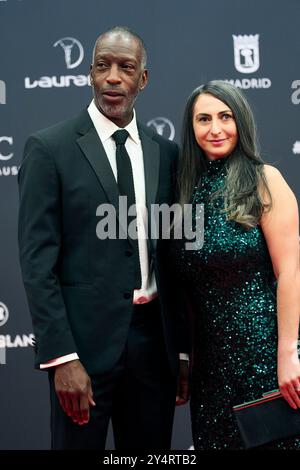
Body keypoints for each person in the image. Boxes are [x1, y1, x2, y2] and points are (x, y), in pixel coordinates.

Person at [18, 26, 189, 450]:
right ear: (90, 74)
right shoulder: (49, 148)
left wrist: (182, 351)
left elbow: (174, 260)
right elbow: (38, 263)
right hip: (82, 352)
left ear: (142, 80)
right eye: (102, 66)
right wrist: (62, 358)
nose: (112, 77)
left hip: (154, 350)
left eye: (125, 67)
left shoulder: (166, 154)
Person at [172, 80, 300, 449]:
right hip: (208, 368)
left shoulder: (265, 180)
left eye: (225, 116)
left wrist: (288, 354)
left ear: (240, 121)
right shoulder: (184, 192)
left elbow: (290, 273)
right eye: (204, 119)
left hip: (265, 355)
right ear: (191, 127)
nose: (215, 129)